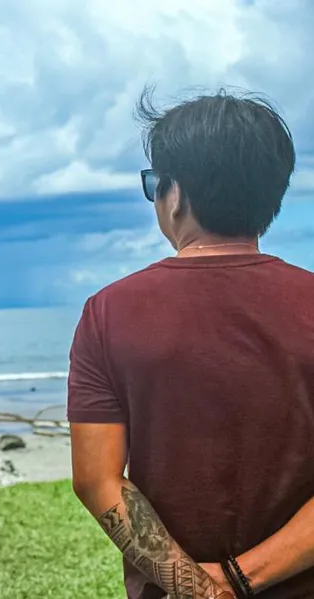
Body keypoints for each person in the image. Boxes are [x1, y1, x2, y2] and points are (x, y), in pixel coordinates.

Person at [68, 86, 314, 599]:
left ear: (174, 194)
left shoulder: (109, 313)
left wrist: (202, 591)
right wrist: (239, 580)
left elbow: (97, 479)